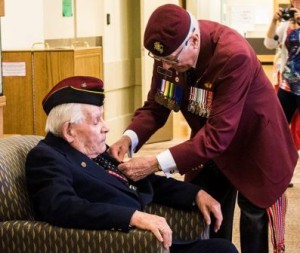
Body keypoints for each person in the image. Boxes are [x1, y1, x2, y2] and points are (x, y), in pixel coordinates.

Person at [108, 4, 299, 253]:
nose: (166, 68)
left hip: (255, 146)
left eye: (171, 60)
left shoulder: (232, 55)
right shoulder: (170, 54)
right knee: (208, 212)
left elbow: (218, 135)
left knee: (254, 220)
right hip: (211, 149)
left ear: (194, 40)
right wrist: (128, 138)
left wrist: (154, 163)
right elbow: (157, 106)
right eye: (159, 61)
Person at [25, 76, 238, 253]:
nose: (106, 128)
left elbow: (144, 180)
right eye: (96, 121)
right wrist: (133, 218)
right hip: (123, 244)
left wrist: (196, 194)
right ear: (69, 130)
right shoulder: (46, 157)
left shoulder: (91, 151)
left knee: (223, 248)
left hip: (148, 244)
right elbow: (62, 207)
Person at [264, 0, 300, 187]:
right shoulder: (286, 24)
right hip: (287, 85)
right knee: (277, 130)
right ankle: (280, 175)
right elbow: (269, 44)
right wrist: (274, 22)